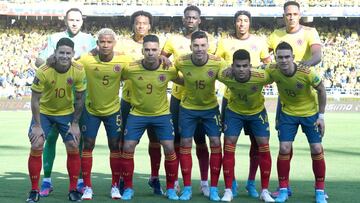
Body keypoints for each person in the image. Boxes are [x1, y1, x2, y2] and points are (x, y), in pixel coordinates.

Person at [36, 8, 96, 197]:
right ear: (65, 21)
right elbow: (39, 61)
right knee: (50, 139)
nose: (74, 23)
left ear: (82, 21)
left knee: (77, 140)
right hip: (55, 99)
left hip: (78, 99)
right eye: (71, 19)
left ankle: (78, 181)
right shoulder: (55, 38)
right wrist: (49, 60)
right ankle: (47, 180)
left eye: (78, 20)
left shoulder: (90, 40)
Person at [267, 1, 322, 197]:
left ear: (299, 15)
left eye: (295, 14)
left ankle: (319, 190)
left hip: (305, 93)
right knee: (284, 145)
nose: (291, 17)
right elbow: (265, 58)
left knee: (315, 147)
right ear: (283, 15)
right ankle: (284, 186)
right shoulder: (275, 35)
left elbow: (317, 55)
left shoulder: (310, 32)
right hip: (285, 100)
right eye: (288, 14)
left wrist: (302, 66)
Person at [161, 5, 217, 196]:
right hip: (179, 98)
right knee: (177, 141)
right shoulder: (173, 40)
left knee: (201, 141)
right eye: (188, 17)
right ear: (183, 20)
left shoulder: (208, 40)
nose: (191, 20)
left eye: (194, 17)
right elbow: (163, 60)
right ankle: (175, 181)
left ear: (199, 20)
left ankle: (204, 182)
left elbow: (217, 63)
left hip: (203, 100)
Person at [215, 10, 271, 198]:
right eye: (238, 20)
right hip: (232, 99)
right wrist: (227, 69)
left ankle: (252, 183)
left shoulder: (260, 42)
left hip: (255, 99)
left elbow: (269, 65)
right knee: (229, 142)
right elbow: (215, 63)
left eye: (245, 20)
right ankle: (230, 186)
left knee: (258, 144)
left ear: (250, 23)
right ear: (234, 23)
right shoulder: (224, 41)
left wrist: (255, 72)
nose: (241, 23)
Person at [120, 35, 181, 200]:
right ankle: (128, 188)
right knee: (128, 147)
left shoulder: (169, 68)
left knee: (169, 147)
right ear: (142, 51)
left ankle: (170, 188)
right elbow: (114, 78)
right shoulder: (131, 68)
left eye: (154, 50)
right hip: (137, 114)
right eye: (147, 49)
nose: (150, 53)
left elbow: (184, 81)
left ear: (159, 50)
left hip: (161, 114)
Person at [26, 38, 86, 203]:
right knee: (37, 143)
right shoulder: (44, 70)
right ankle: (34, 190)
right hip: (44, 113)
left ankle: (73, 190)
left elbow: (80, 99)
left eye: (68, 53)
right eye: (61, 52)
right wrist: (37, 125)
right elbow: (35, 100)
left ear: (73, 54)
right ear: (55, 52)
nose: (65, 56)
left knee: (73, 144)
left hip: (66, 113)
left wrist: (75, 124)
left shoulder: (79, 70)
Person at [76, 28, 132, 200]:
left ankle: (115, 186)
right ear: (97, 43)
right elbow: (68, 64)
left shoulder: (124, 60)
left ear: (114, 43)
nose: (105, 45)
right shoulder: (86, 60)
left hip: (113, 110)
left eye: (109, 42)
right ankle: (87, 187)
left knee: (115, 146)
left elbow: (143, 66)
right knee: (88, 145)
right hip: (90, 110)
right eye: (102, 42)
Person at [115, 10, 165, 195]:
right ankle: (123, 178)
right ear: (133, 25)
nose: (141, 26)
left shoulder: (156, 44)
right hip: (129, 100)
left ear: (149, 25)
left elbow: (166, 66)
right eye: (138, 23)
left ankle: (154, 177)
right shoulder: (122, 45)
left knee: (155, 141)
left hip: (153, 102)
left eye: (145, 23)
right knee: (125, 142)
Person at [175, 31, 226, 201]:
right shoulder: (181, 61)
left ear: (208, 46)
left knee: (216, 143)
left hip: (210, 109)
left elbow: (230, 75)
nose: (199, 49)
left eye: (203, 45)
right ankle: (187, 188)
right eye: (196, 45)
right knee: (185, 143)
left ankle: (211, 187)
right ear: (190, 47)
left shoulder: (218, 62)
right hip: (188, 109)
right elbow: (169, 71)